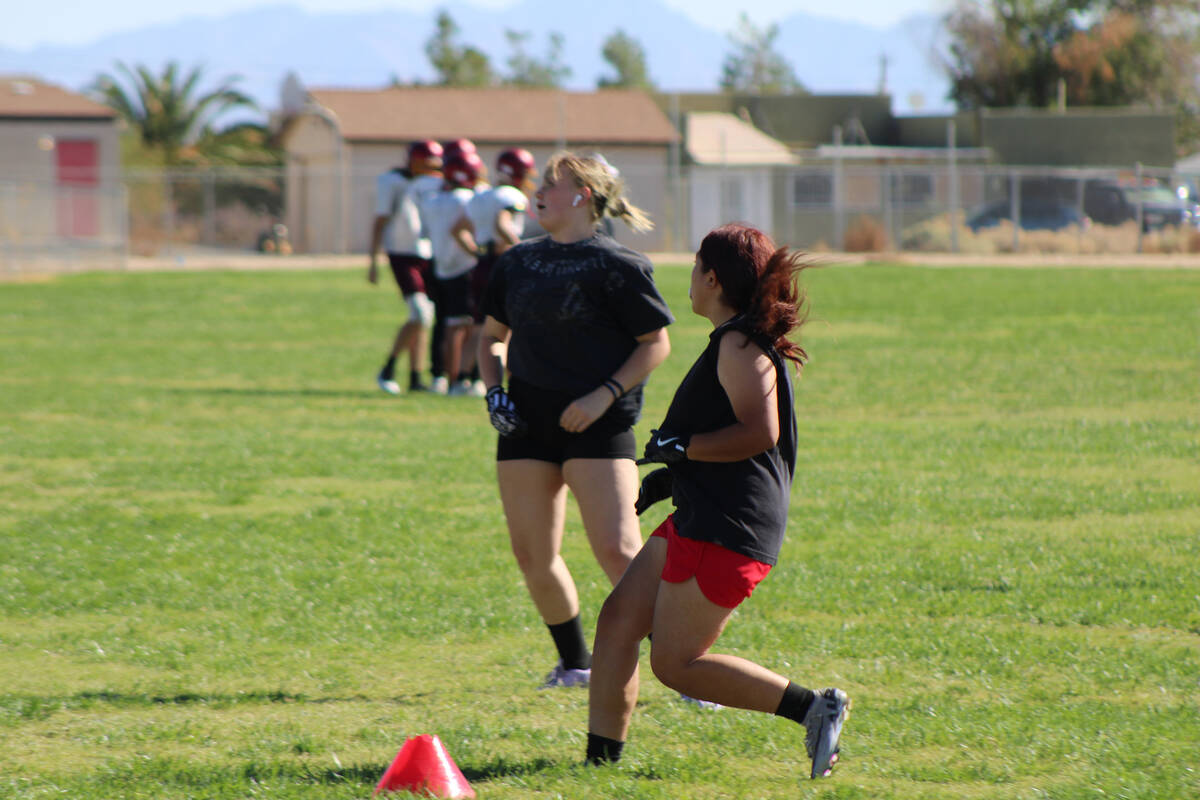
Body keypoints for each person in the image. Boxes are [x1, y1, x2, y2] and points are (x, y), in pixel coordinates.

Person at [584, 223, 850, 780]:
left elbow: (759, 433)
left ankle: (812, 707)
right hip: (702, 517)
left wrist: (680, 446)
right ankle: (597, 768)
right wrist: (667, 479)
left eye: (694, 266)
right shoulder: (735, 337)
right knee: (616, 624)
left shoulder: (738, 342)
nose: (689, 277)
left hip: (726, 530)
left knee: (676, 665)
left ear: (711, 277)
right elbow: (723, 442)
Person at [477, 152, 673, 689]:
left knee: (618, 551)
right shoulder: (516, 262)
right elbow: (491, 336)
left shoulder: (619, 265)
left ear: (583, 195)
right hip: (526, 426)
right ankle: (575, 663)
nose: (536, 193)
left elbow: (655, 343)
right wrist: (495, 392)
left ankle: (684, 669)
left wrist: (601, 396)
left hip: (600, 425)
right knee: (533, 555)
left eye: (550, 184)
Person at [368, 140, 444, 395]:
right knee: (420, 314)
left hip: (427, 252)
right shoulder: (392, 181)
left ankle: (415, 377)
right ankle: (387, 369)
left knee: (424, 317)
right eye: (427, 163)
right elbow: (380, 219)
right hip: (401, 253)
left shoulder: (435, 182)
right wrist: (373, 261)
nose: (432, 168)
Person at [453, 147, 536, 341]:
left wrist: (477, 252)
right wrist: (522, 251)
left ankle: (462, 373)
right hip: (503, 264)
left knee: (478, 329)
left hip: (482, 265)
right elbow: (502, 223)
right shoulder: (512, 195)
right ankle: (498, 372)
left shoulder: (481, 196)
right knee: (503, 333)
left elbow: (457, 230)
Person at [423, 151, 486, 396]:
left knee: (444, 325)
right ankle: (458, 378)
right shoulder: (468, 199)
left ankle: (440, 376)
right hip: (464, 267)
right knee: (465, 326)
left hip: (439, 267)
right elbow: (461, 230)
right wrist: (477, 252)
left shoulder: (433, 200)